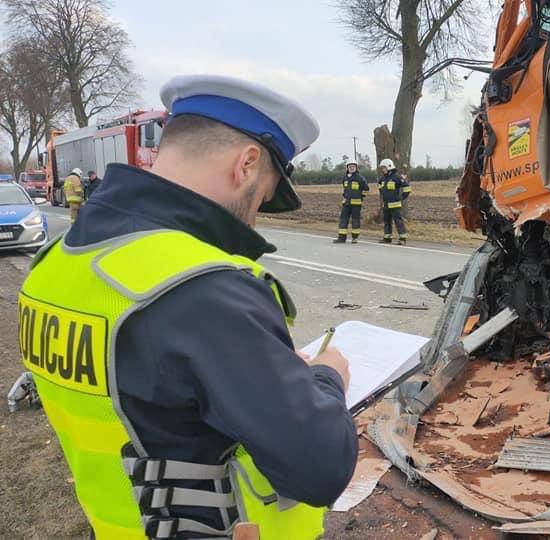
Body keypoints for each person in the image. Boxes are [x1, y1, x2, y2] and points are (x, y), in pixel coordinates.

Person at [18, 75, 357, 539]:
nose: (255, 216)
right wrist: (327, 377)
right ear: (247, 163)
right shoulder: (204, 289)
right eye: (261, 197)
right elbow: (321, 468)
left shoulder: (58, 260)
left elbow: (151, 397)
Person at [334, 159, 369, 244]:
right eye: (350, 167)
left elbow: (366, 189)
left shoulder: (360, 178)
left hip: (356, 204)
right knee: (343, 220)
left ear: (356, 168)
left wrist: (361, 196)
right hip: (346, 203)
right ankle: (341, 238)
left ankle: (355, 238)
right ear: (347, 168)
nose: (351, 168)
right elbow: (345, 189)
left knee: (355, 221)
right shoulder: (345, 178)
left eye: (353, 167)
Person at [378, 158, 409, 245]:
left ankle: (402, 238)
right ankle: (387, 238)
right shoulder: (383, 178)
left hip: (395, 205)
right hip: (386, 204)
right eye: (382, 168)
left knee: (398, 222)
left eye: (384, 168)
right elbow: (380, 185)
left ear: (389, 167)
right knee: (387, 221)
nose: (382, 170)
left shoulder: (397, 177)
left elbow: (407, 187)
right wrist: (383, 193)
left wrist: (402, 197)